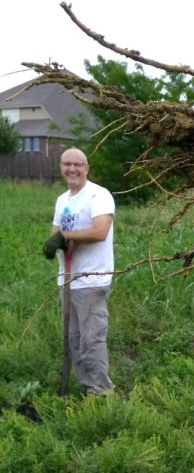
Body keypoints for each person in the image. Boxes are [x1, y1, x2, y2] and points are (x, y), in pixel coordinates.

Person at [43, 148, 115, 395]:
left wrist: (66, 236)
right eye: (67, 164)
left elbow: (100, 231)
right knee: (74, 339)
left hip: (91, 280)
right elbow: (56, 232)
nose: (71, 169)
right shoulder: (63, 200)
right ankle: (87, 386)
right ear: (61, 167)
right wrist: (55, 241)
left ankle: (100, 393)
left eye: (77, 164)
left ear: (87, 168)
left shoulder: (98, 195)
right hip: (67, 280)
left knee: (91, 339)